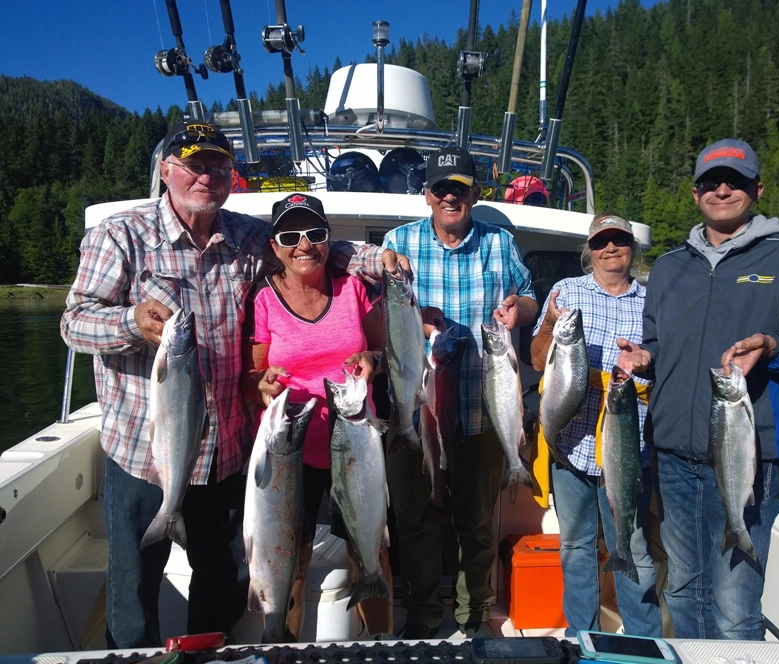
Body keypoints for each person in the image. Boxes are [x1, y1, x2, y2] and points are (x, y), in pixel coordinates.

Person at [60, 120, 404, 649]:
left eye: (219, 166)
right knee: (134, 585)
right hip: (144, 452)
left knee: (224, 579)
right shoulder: (121, 235)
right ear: (167, 171)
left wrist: (372, 258)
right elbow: (74, 321)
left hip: (226, 449)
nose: (207, 176)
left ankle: (209, 655)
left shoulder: (245, 235)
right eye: (196, 165)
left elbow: (316, 253)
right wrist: (132, 323)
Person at [616, 138, 779, 640]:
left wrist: (771, 346)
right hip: (672, 455)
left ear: (757, 189)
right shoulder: (670, 265)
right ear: (695, 193)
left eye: (736, 182)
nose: (722, 189)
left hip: (748, 457)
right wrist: (644, 360)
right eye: (710, 182)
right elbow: (660, 348)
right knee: (681, 590)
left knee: (734, 602)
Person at [382, 146, 539, 639]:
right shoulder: (398, 242)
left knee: (476, 525)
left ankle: (473, 619)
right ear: (426, 195)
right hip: (416, 415)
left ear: (474, 193)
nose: (451, 197)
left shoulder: (499, 243)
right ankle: (424, 616)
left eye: (461, 188)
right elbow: (377, 309)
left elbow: (530, 298)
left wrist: (520, 312)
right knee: (417, 520)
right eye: (441, 189)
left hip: (483, 415)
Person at [241, 193, 393, 639]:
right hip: (290, 454)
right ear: (274, 245)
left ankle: (381, 645)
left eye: (315, 233)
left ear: (328, 240)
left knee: (373, 552)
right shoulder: (264, 300)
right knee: (293, 556)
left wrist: (373, 361)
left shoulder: (354, 288)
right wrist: (260, 383)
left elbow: (385, 354)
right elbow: (252, 377)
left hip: (357, 448)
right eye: (290, 235)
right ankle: (282, 645)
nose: (304, 244)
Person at [529, 213, 661, 637]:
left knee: (633, 547)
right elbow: (536, 359)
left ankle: (644, 640)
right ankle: (581, 636)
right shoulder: (566, 292)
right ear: (589, 250)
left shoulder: (652, 301)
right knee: (575, 547)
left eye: (619, 241)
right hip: (572, 444)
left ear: (631, 249)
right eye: (602, 242)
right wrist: (551, 323)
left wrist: (646, 361)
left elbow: (666, 367)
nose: (610, 249)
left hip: (627, 443)